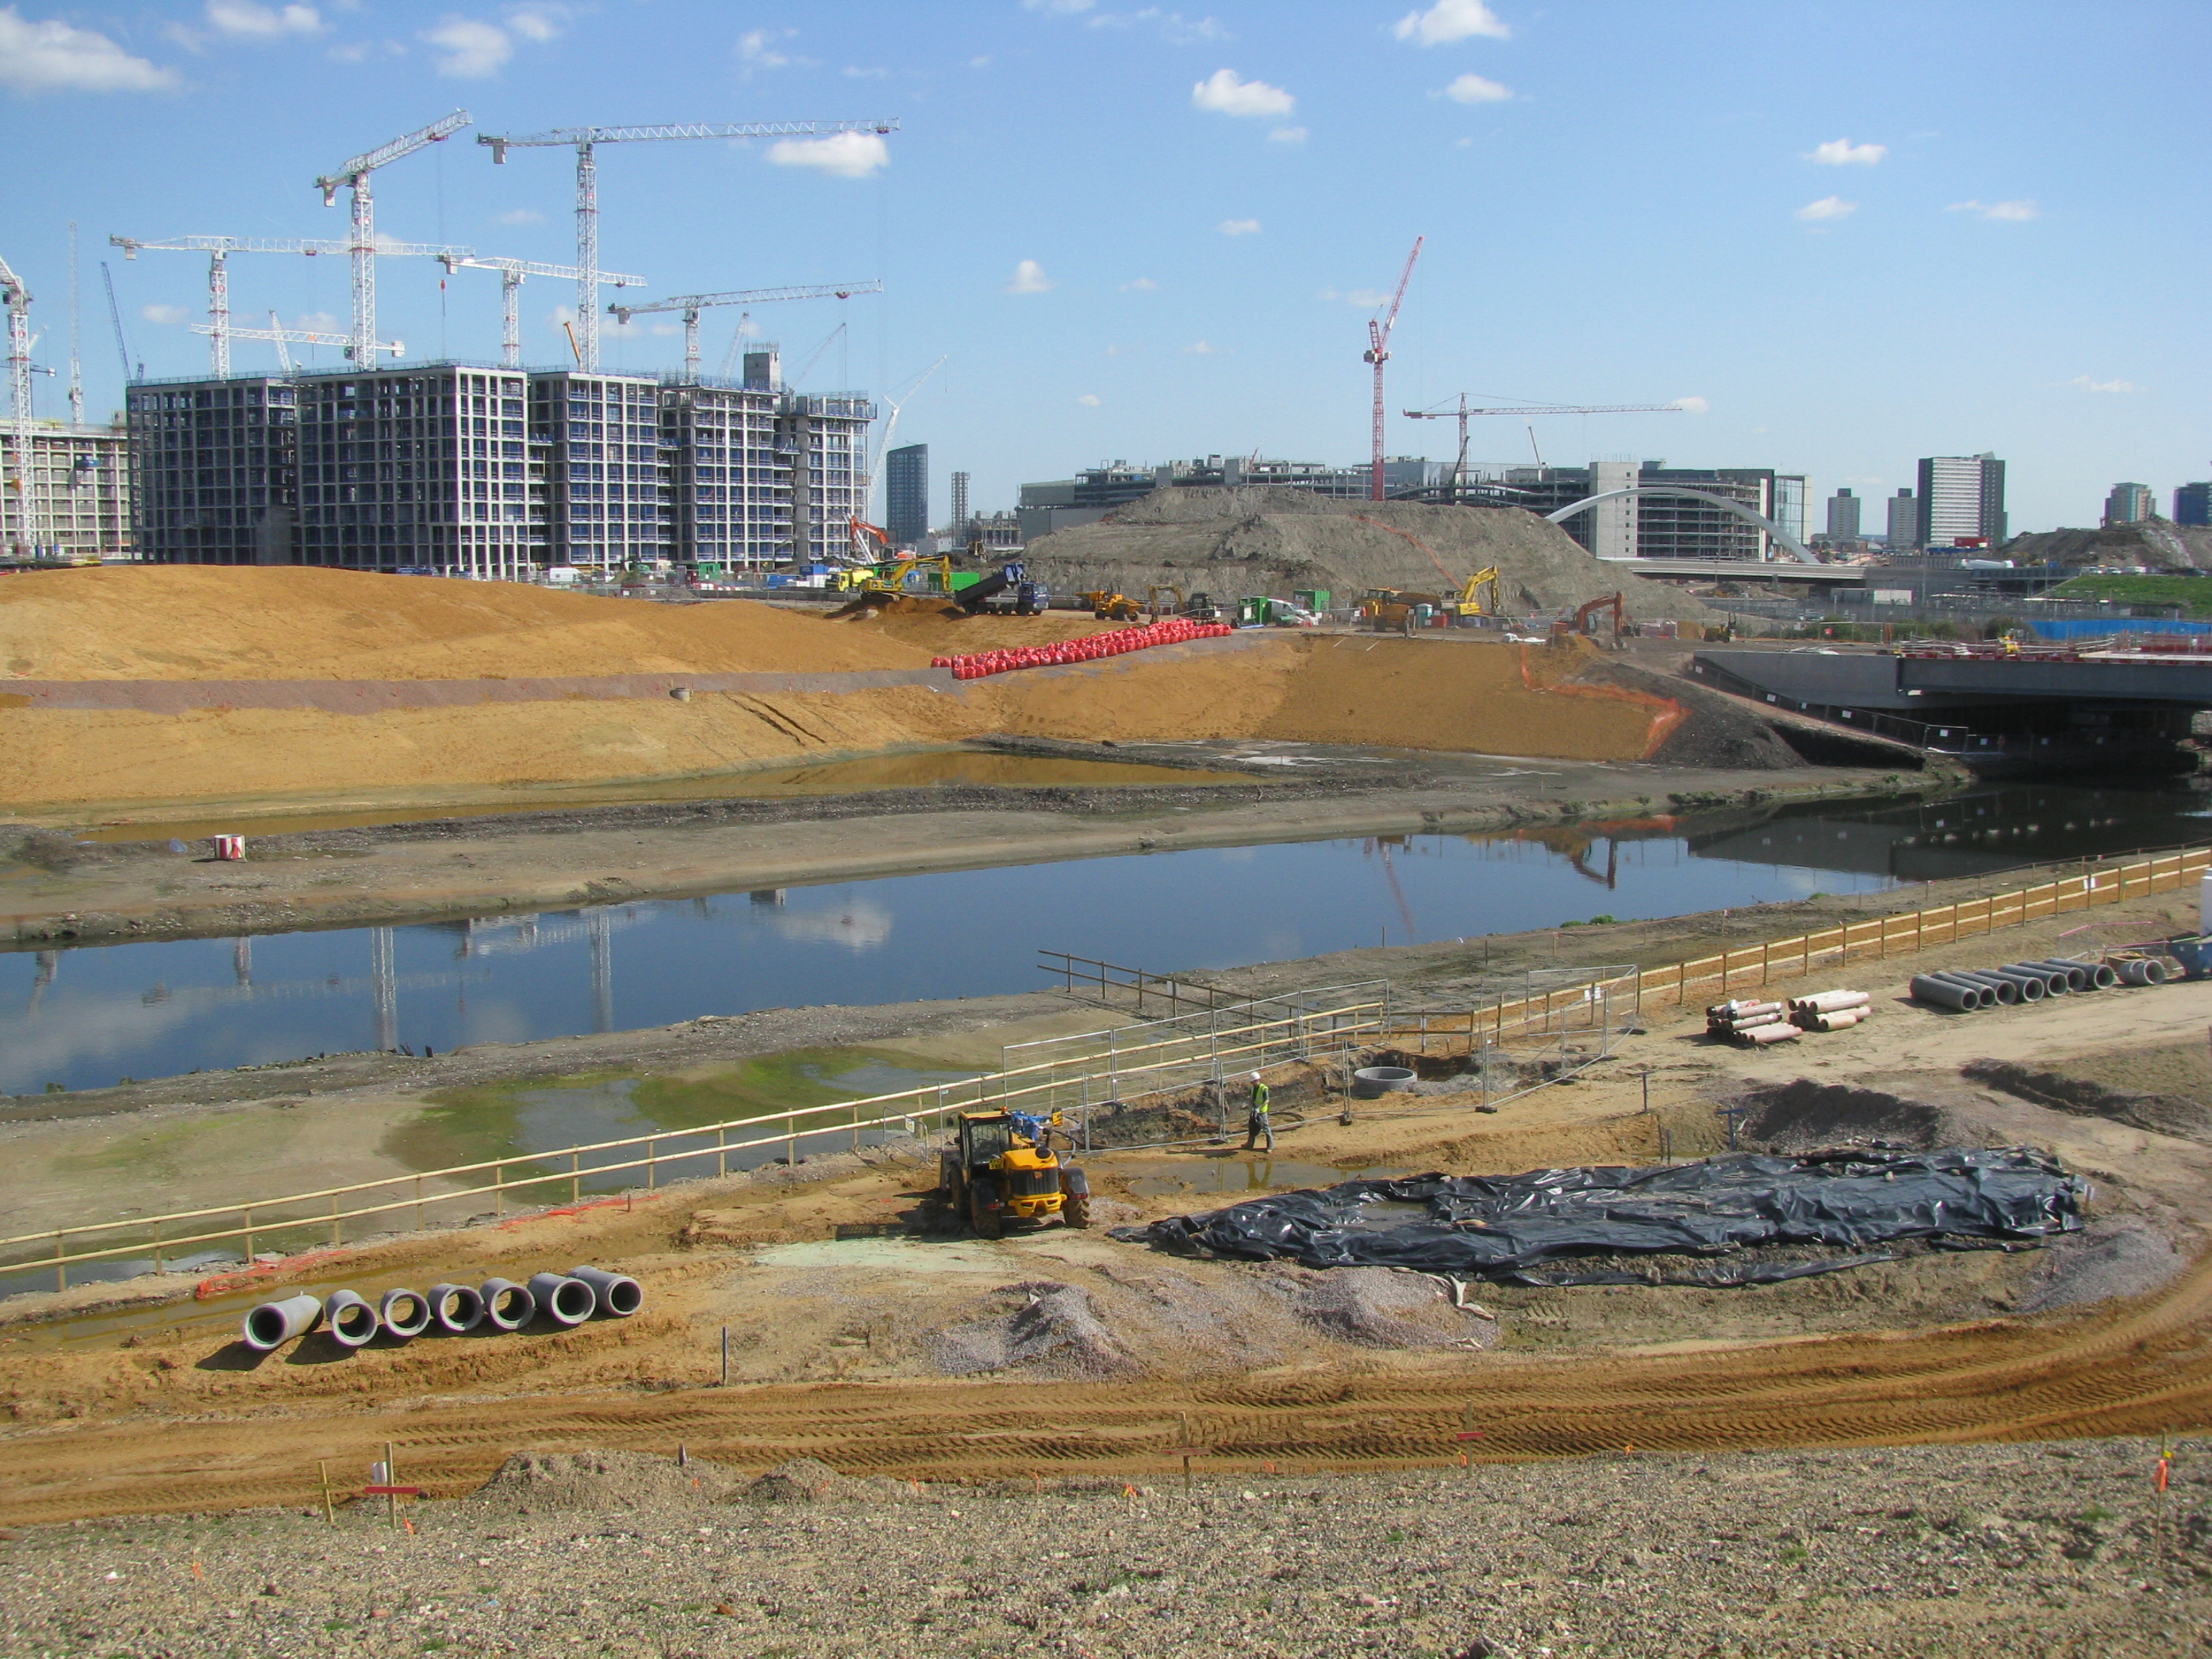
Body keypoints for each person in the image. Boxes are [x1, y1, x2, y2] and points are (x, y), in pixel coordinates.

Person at [1242, 1070, 1272, 1152]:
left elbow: (1267, 1100)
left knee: (1266, 1128)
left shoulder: (1264, 1088)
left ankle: (1270, 1146)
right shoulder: (1253, 1089)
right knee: (1252, 1127)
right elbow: (1252, 1099)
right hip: (1255, 1111)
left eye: (1252, 1082)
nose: (1251, 1083)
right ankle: (1249, 1145)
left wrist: (1259, 1108)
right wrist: (1251, 1107)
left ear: (1256, 1081)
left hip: (1262, 1112)